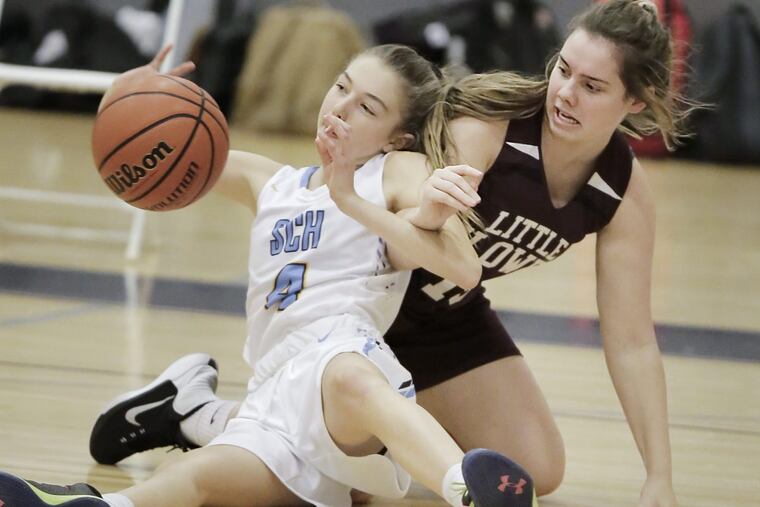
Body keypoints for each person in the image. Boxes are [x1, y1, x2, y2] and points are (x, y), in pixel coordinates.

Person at [81, 0, 690, 505]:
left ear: (634, 101)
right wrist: (130, 104)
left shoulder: (624, 193)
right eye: (563, 70)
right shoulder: (491, 127)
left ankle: (198, 411)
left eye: (592, 86)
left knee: (538, 469)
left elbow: (632, 341)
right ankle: (232, 425)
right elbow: (422, 233)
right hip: (367, 307)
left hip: (451, 317)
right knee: (351, 486)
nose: (565, 93)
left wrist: (659, 478)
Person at [0, 44, 540, 507]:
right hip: (272, 396)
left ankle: (465, 487)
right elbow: (160, 149)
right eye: (341, 87)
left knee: (348, 374)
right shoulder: (271, 181)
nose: (341, 108)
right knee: (195, 478)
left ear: (395, 138)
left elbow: (464, 268)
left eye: (367, 106)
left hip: (341, 371)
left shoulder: (396, 171)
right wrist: (126, 99)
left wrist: (351, 197)